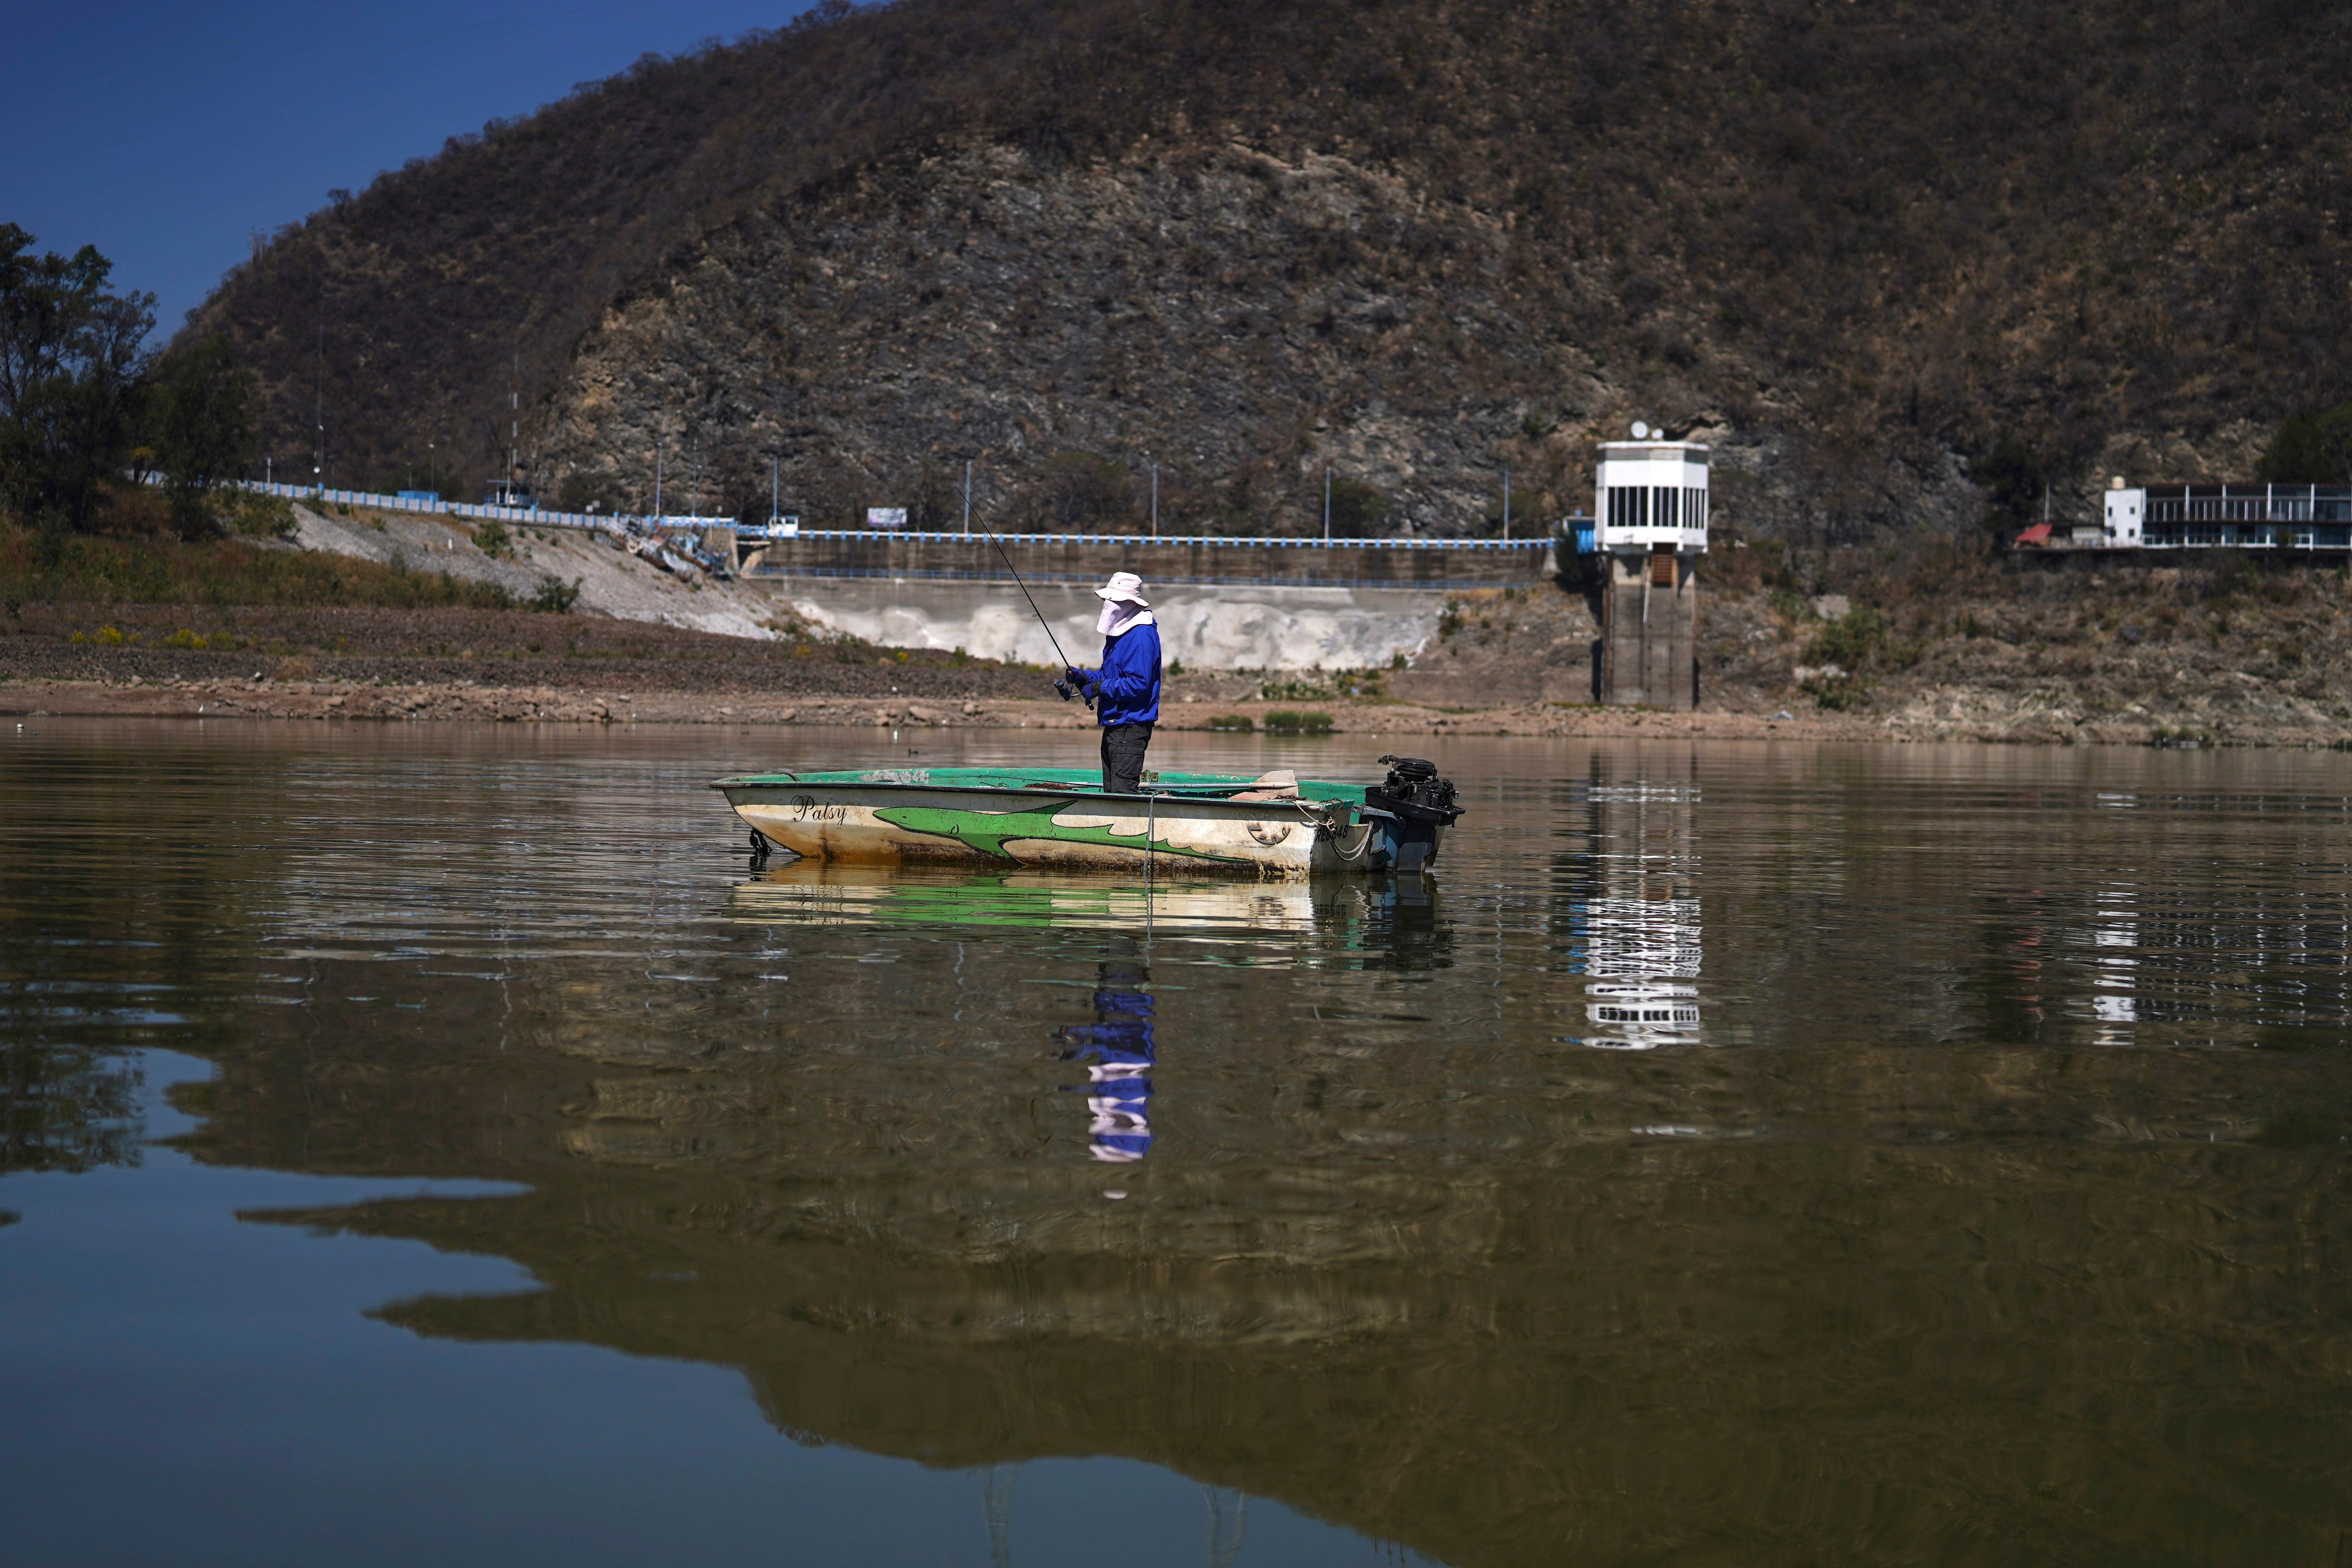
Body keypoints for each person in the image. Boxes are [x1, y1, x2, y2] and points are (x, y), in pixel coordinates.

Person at [1065, 570, 1161, 796]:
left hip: (1130, 728)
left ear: (1130, 603)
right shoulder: (1121, 634)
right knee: (1112, 794)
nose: (1109, 604)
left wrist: (1098, 689)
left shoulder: (1140, 635)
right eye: (1108, 600)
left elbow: (1138, 684)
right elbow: (1110, 677)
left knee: (1121, 796)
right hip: (1116, 726)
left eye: (1114, 600)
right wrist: (1084, 678)